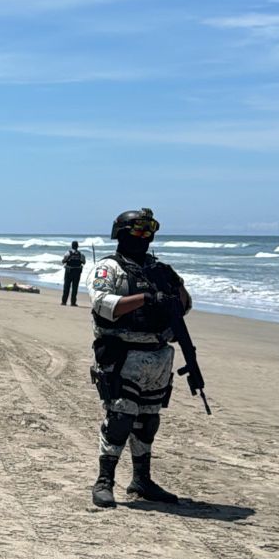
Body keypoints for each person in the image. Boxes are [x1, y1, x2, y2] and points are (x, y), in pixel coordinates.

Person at [88, 208, 191, 508]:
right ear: (121, 233)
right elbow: (103, 304)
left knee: (148, 420)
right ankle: (104, 480)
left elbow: (183, 307)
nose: (145, 238)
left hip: (157, 355)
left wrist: (177, 287)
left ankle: (141, 480)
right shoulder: (109, 268)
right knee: (120, 417)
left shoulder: (157, 269)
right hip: (123, 353)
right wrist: (146, 298)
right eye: (138, 231)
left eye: (149, 231)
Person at [62, 241, 87, 306]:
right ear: (77, 246)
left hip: (69, 272)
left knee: (66, 287)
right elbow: (84, 262)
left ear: (71, 246)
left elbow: (63, 261)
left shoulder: (68, 253)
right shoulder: (81, 254)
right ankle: (73, 303)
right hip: (77, 272)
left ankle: (64, 302)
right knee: (75, 288)